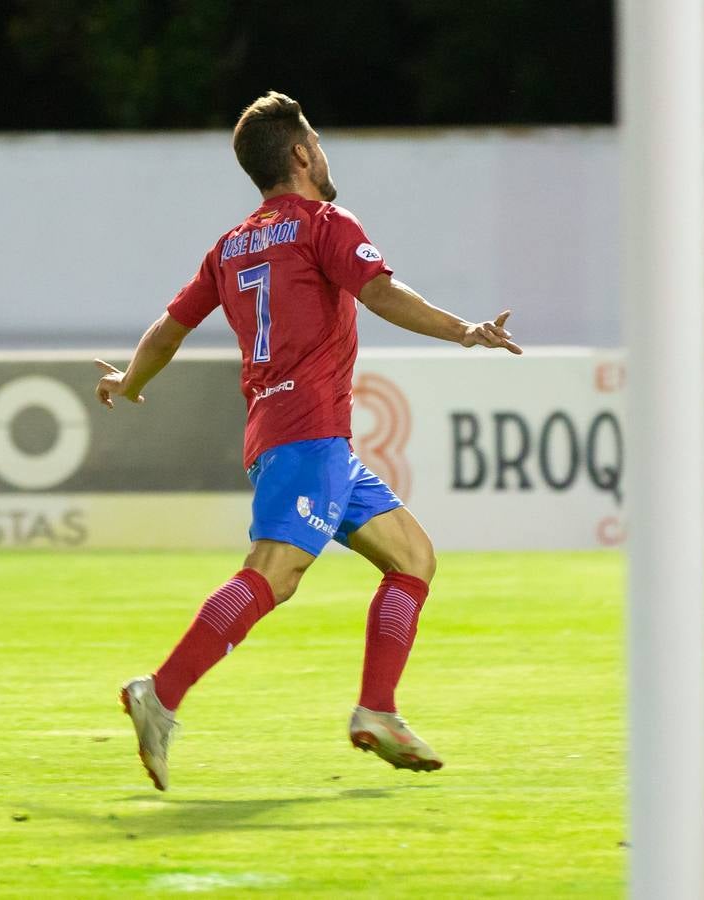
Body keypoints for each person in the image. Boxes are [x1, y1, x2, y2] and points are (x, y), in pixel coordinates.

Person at [95, 91, 521, 791]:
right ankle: (160, 693)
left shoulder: (230, 247)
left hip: (298, 437)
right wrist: (466, 330)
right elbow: (380, 293)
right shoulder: (323, 224)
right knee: (273, 573)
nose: (323, 153)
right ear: (299, 154)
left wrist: (131, 380)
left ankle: (378, 710)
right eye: (316, 141)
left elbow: (171, 327)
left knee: (412, 558)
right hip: (308, 434)